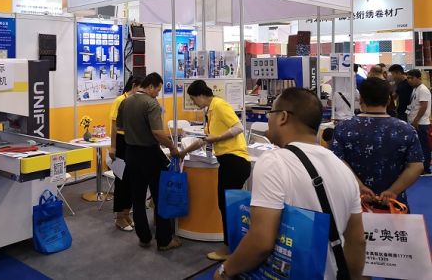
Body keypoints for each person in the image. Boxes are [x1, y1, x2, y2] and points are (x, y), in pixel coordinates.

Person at [215, 88, 365, 280]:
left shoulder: (274, 161)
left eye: (271, 113)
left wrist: (225, 271)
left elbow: (261, 242)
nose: (268, 119)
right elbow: (357, 242)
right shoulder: (343, 169)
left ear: (283, 117)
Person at [180, 80, 251, 261]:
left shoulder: (219, 105)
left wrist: (217, 138)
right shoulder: (210, 111)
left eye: (193, 98)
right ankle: (234, 245)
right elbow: (205, 139)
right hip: (228, 162)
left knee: (226, 206)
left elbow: (238, 127)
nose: (193, 102)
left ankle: (229, 248)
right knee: (227, 205)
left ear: (200, 95)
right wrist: (183, 152)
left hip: (234, 161)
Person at [332, 78, 423, 208]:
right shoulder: (406, 129)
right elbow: (416, 166)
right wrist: (393, 191)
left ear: (361, 99)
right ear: (389, 100)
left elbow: (337, 162)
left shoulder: (343, 128)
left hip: (354, 203)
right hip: (393, 204)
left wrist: (360, 187)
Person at [116, 72, 181, 251]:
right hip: (150, 155)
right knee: (160, 197)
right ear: (151, 86)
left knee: (137, 198)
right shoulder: (151, 104)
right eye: (158, 90)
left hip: (131, 154)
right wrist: (172, 147)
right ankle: (164, 240)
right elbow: (158, 133)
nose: (158, 94)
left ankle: (144, 237)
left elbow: (119, 126)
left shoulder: (125, 101)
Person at [108, 75, 143, 232]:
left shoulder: (137, 101)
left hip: (133, 142)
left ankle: (126, 213)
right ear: (134, 85)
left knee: (132, 180)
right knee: (121, 181)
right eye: (140, 88)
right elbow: (114, 125)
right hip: (121, 142)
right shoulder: (120, 100)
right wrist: (113, 147)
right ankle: (119, 217)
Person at [406, 69, 431, 175]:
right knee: (418, 146)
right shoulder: (416, 89)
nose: (409, 80)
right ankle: (421, 166)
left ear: (418, 78)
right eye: (408, 78)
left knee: (424, 146)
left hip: (421, 123)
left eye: (411, 78)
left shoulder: (423, 89)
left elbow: (424, 106)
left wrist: (416, 120)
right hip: (415, 122)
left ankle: (425, 168)